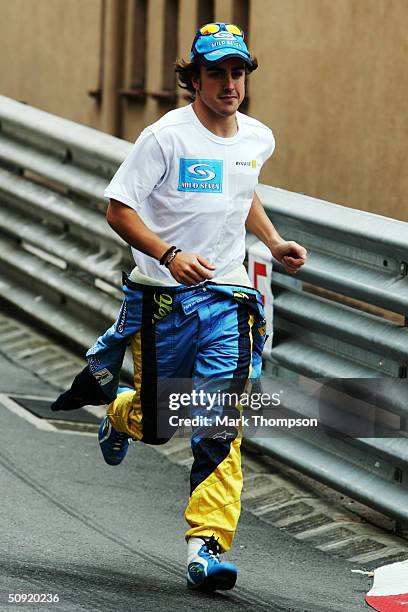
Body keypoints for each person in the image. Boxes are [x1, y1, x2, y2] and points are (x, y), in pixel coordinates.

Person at [51, 22, 306, 592]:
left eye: (237, 72)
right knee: (159, 422)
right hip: (161, 301)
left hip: (228, 298)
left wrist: (271, 241)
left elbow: (241, 192)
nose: (229, 83)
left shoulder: (257, 138)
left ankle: (207, 545)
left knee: (219, 419)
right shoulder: (164, 138)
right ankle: (122, 412)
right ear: (193, 78)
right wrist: (169, 254)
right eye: (216, 72)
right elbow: (119, 208)